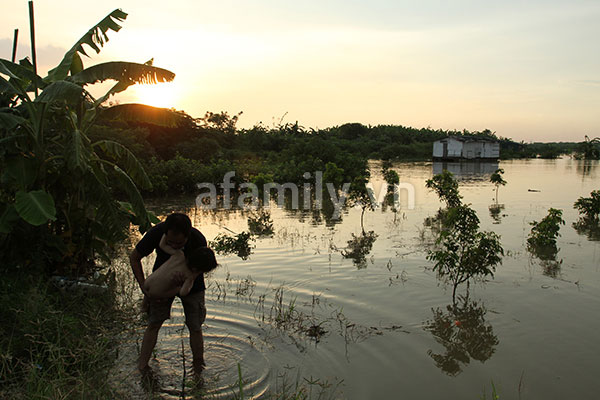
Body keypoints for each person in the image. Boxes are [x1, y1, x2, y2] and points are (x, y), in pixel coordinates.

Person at [130, 213, 210, 375]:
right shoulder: (156, 233)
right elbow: (134, 257)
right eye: (170, 242)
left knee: (195, 326)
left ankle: (198, 368)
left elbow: (203, 265)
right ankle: (142, 366)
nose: (174, 246)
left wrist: (189, 279)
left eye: (179, 243)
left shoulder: (198, 240)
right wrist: (143, 286)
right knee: (154, 323)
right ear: (165, 234)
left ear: (188, 236)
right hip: (163, 281)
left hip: (192, 281)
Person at [143, 234, 217, 299]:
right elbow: (183, 293)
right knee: (176, 288)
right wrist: (186, 283)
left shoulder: (179, 255)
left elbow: (162, 245)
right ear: (198, 270)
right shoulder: (189, 276)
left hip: (146, 283)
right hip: (157, 295)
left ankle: (145, 303)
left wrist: (166, 233)